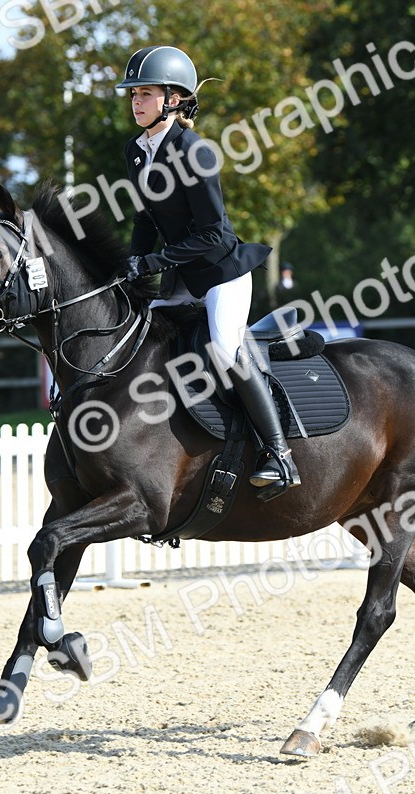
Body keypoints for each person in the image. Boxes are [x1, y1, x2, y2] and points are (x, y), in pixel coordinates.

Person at [117, 45, 300, 495]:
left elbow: (214, 235)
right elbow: (145, 219)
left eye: (144, 93)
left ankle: (279, 453)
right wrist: (128, 268)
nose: (135, 102)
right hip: (180, 276)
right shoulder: (137, 151)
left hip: (221, 274)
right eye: (133, 94)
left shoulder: (194, 151)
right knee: (140, 335)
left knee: (223, 350)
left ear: (173, 99)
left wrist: (152, 261)